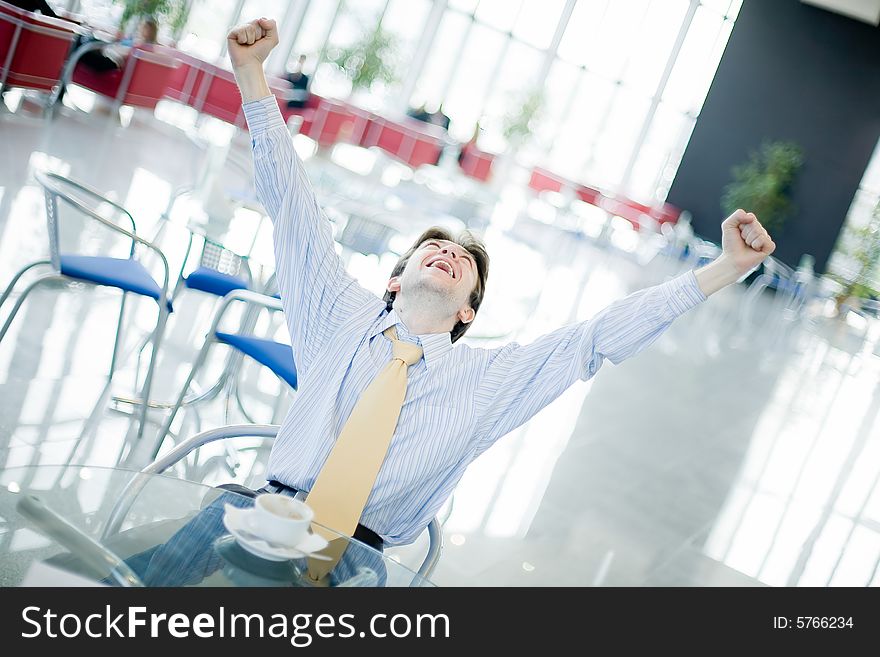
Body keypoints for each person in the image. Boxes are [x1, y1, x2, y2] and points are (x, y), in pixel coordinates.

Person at [167, 19, 774, 565]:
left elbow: (596, 340)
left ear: (467, 311)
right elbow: (292, 207)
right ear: (395, 280)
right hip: (265, 511)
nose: (450, 253)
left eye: (464, 264)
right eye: (432, 250)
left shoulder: (490, 380)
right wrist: (251, 75)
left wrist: (724, 269)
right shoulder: (337, 313)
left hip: (357, 557)